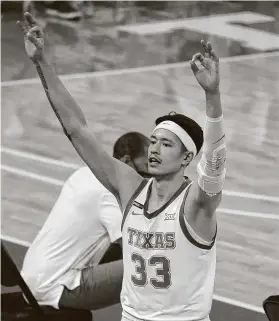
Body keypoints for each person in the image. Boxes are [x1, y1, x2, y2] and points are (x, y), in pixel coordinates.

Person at [18, 12, 227, 321]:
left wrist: (212, 96)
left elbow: (214, 161)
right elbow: (77, 129)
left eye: (166, 144)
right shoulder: (131, 189)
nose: (154, 149)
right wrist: (41, 63)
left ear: (186, 158)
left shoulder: (196, 204)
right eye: (153, 142)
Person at [21, 131, 150, 311]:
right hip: (56, 286)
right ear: (127, 162)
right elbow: (138, 246)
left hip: (31, 279)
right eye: (147, 169)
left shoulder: (84, 173)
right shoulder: (109, 192)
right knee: (155, 264)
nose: (149, 177)